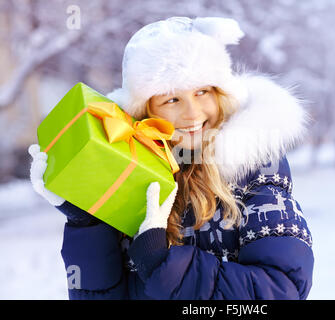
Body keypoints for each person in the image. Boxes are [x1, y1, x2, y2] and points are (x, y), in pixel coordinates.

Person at [28, 16, 314, 300]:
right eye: (171, 100)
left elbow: (281, 290)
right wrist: (89, 224)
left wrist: (166, 268)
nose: (192, 113)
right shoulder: (130, 176)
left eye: (202, 92)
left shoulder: (256, 172)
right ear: (145, 112)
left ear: (220, 94)